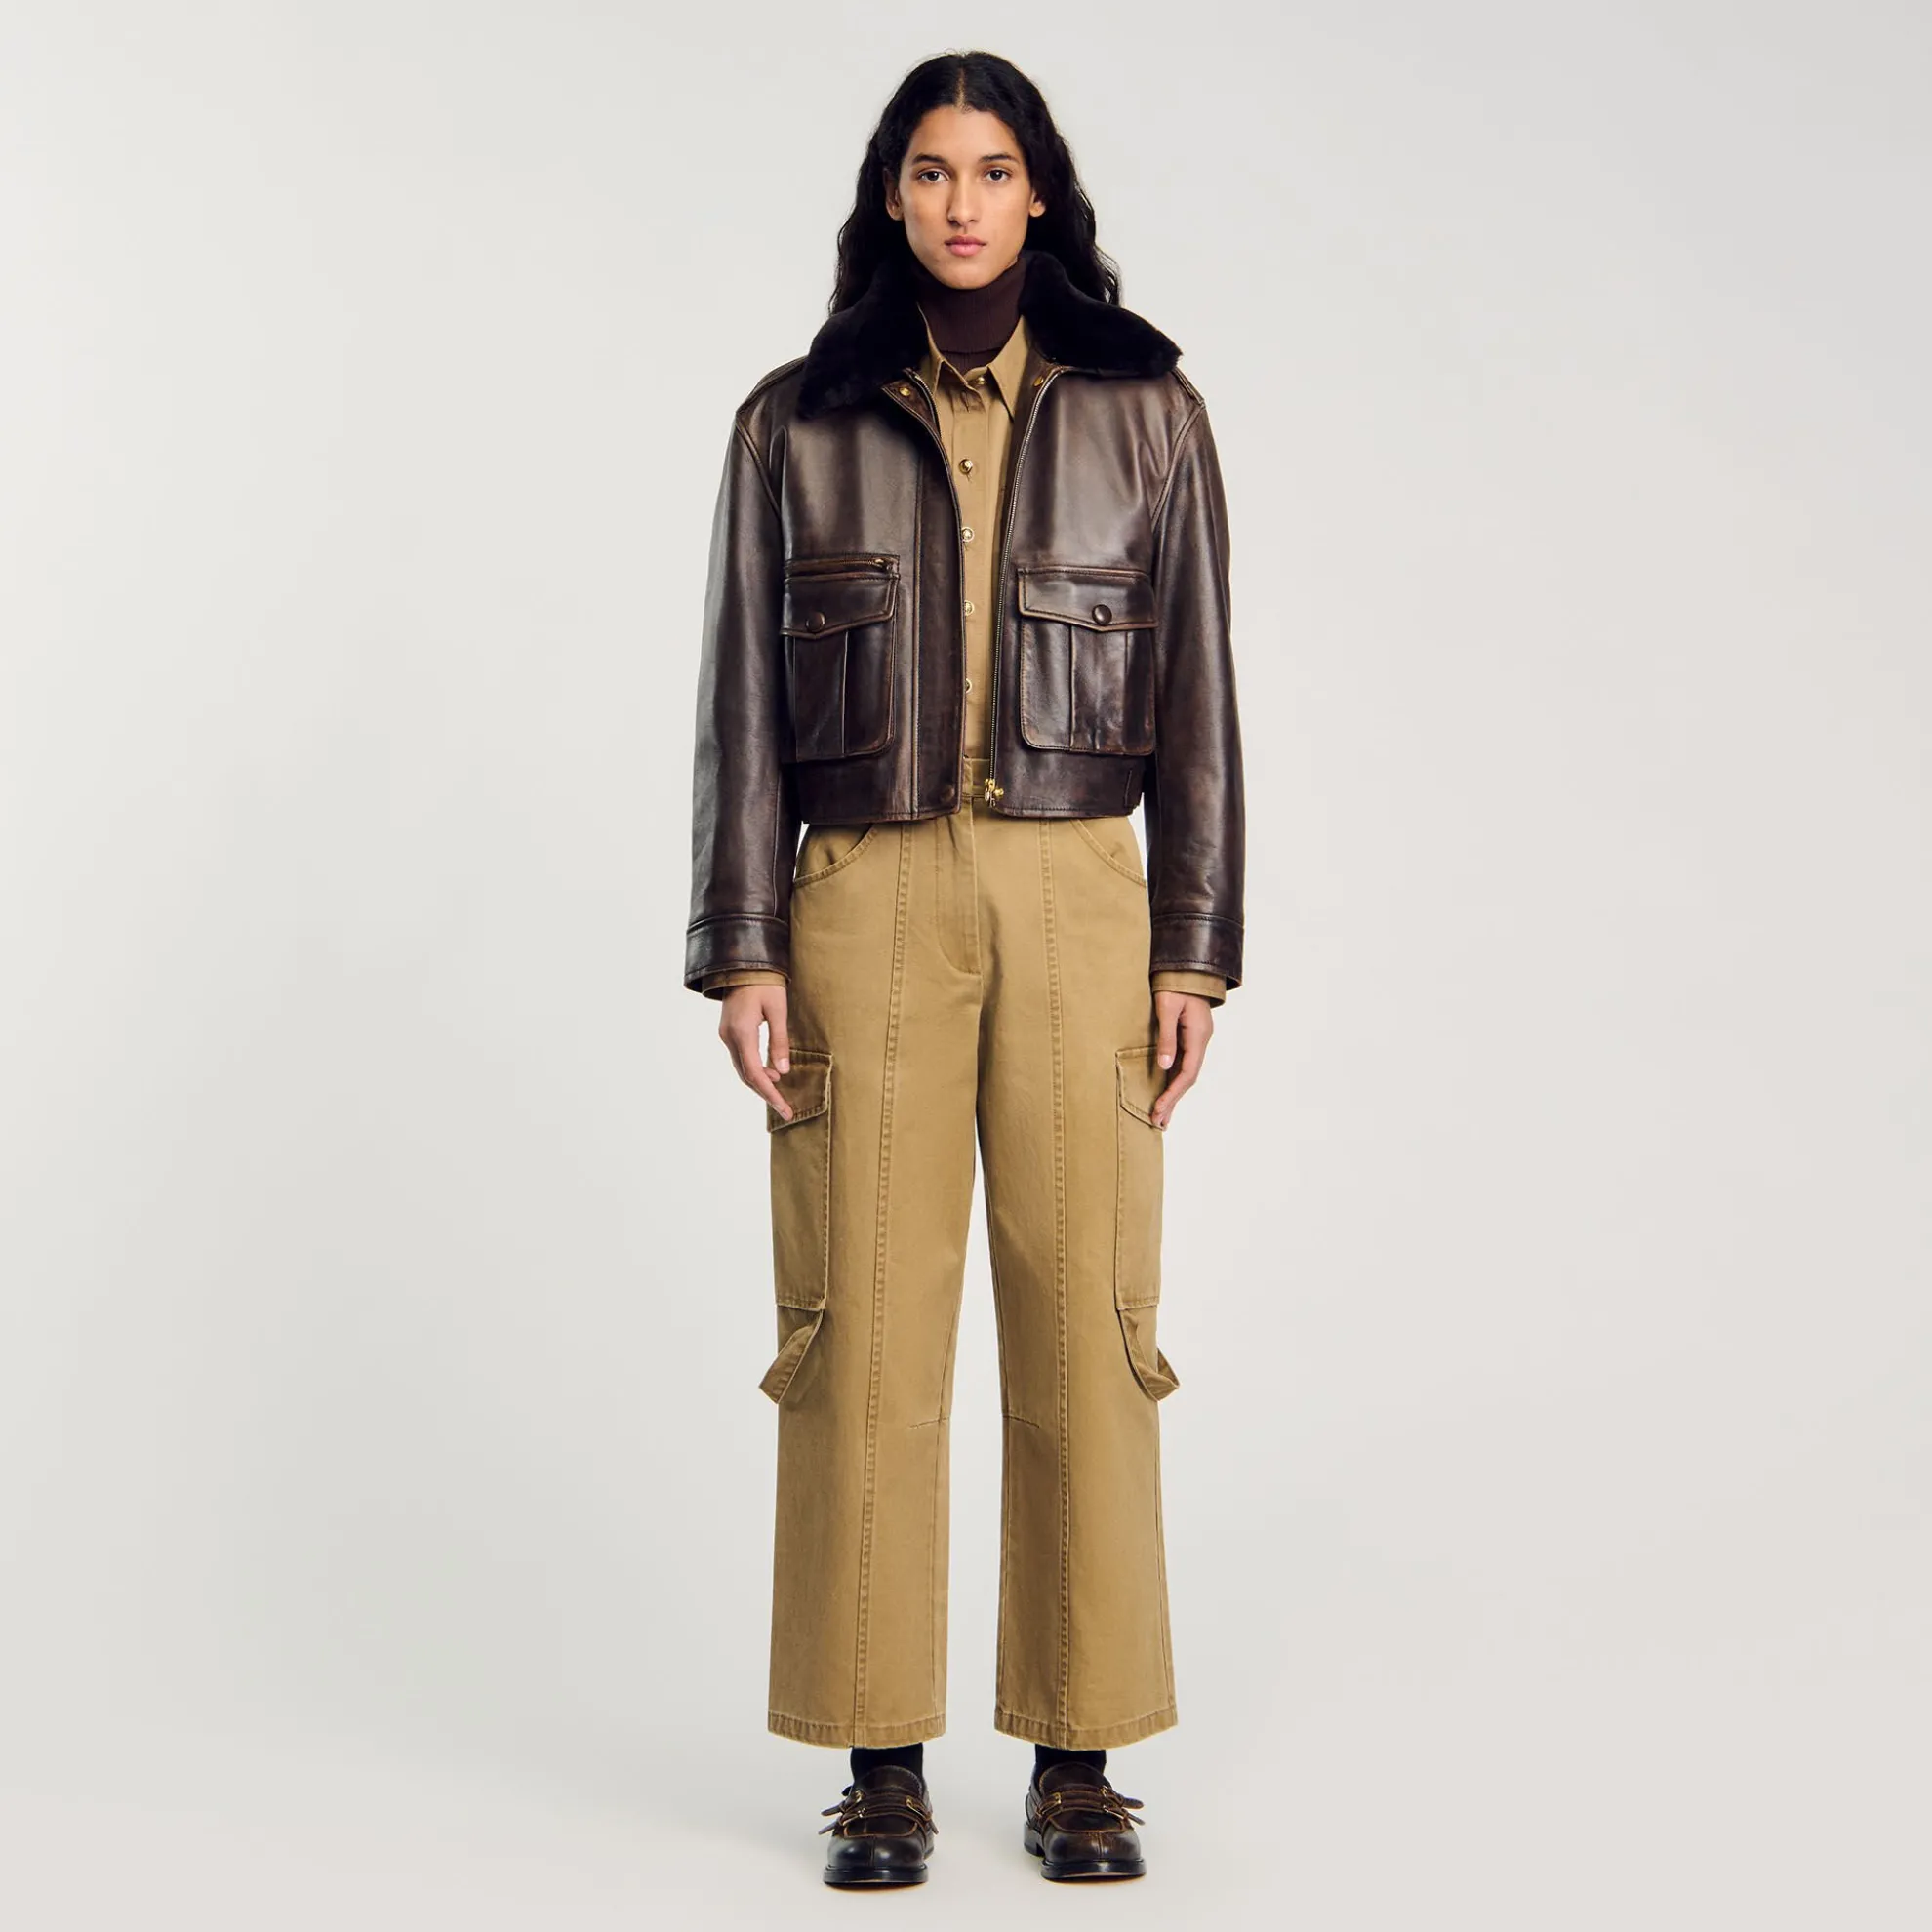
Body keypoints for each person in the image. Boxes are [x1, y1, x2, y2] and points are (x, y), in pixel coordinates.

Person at [683, 49, 1245, 1888]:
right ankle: (881, 1765)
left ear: (1039, 193)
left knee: (1085, 1320)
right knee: (862, 1328)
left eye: (992, 171)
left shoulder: (1148, 412)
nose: (962, 204)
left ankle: (1079, 1758)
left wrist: (1195, 951)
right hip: (865, 898)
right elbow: (740, 705)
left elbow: (1200, 697)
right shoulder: (796, 420)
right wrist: (745, 945)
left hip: (1082, 892)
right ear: (892, 195)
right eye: (931, 170)